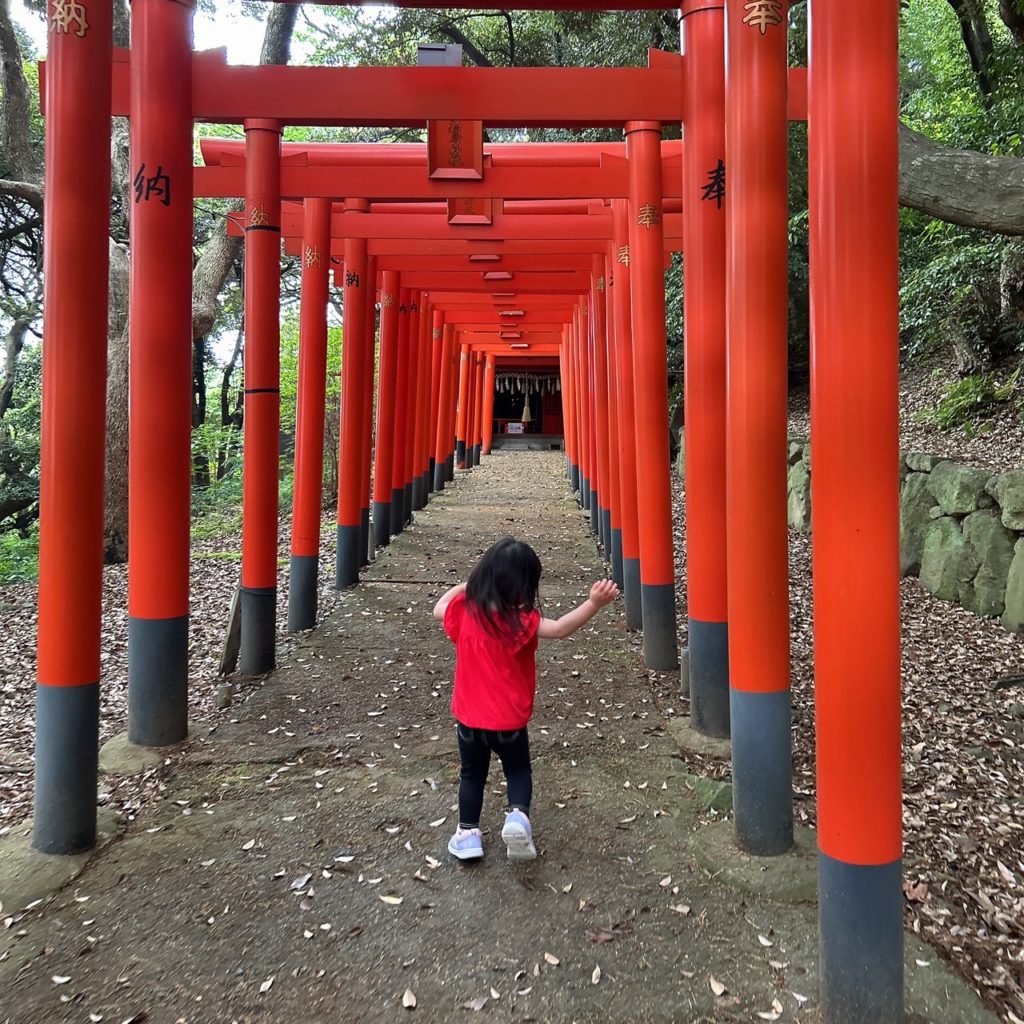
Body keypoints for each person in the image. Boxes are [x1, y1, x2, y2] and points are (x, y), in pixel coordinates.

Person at [432, 537, 619, 862]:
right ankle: (518, 816)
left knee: (471, 775)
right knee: (518, 770)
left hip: (469, 721)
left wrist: (465, 586)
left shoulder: (466, 611)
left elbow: (438, 609)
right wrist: (593, 604)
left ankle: (467, 835)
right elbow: (560, 629)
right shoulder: (521, 622)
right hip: (509, 722)